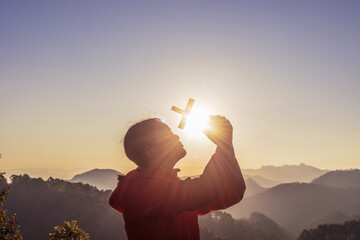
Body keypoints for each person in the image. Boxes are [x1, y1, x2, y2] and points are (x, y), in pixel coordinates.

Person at [109, 115, 246, 240]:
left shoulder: (170, 185)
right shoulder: (139, 191)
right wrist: (224, 145)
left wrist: (226, 146)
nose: (176, 136)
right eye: (167, 135)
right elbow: (206, 190)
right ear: (151, 151)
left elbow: (233, 193)